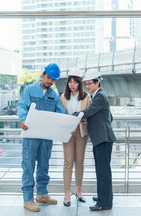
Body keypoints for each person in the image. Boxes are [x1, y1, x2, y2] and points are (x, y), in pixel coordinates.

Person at [17, 63, 66, 212]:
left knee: (44, 164)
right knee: (28, 165)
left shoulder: (54, 95)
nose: (50, 82)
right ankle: (28, 199)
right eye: (49, 78)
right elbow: (21, 106)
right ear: (43, 74)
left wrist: (69, 124)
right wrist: (23, 119)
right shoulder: (29, 90)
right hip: (31, 134)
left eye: (53, 80)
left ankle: (42, 194)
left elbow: (60, 112)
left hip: (46, 136)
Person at [73, 69, 116, 211]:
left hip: (102, 138)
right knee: (102, 170)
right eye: (86, 84)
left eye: (90, 83)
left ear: (98, 82)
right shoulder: (99, 95)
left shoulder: (99, 97)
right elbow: (109, 116)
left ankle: (104, 203)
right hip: (101, 138)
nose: (87, 86)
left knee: (103, 171)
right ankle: (105, 196)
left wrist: (76, 114)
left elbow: (89, 111)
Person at [60, 68, 91, 207]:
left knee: (80, 162)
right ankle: (67, 194)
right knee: (68, 162)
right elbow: (60, 116)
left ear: (80, 83)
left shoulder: (86, 97)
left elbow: (89, 114)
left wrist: (80, 120)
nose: (72, 85)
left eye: (75, 82)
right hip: (67, 132)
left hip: (81, 132)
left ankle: (78, 191)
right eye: (70, 82)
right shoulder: (63, 97)